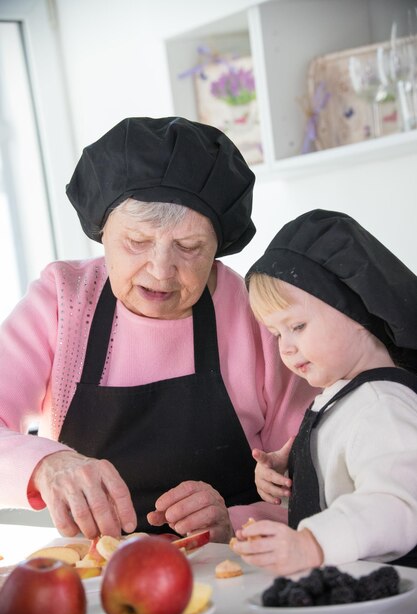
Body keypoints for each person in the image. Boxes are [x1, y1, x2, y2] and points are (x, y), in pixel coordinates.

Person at [0, 117, 315, 542]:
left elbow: (314, 479)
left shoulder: (255, 313)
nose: (161, 271)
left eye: (189, 248)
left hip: (234, 572)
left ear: (217, 248)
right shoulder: (62, 300)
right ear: (102, 231)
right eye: (136, 241)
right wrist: (47, 465)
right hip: (96, 582)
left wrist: (238, 522)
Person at [230, 208, 417, 574]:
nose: (284, 347)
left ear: (357, 310)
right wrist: (291, 472)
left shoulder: (382, 406)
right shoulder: (343, 401)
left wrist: (312, 544)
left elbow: (397, 504)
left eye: (297, 325)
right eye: (276, 332)